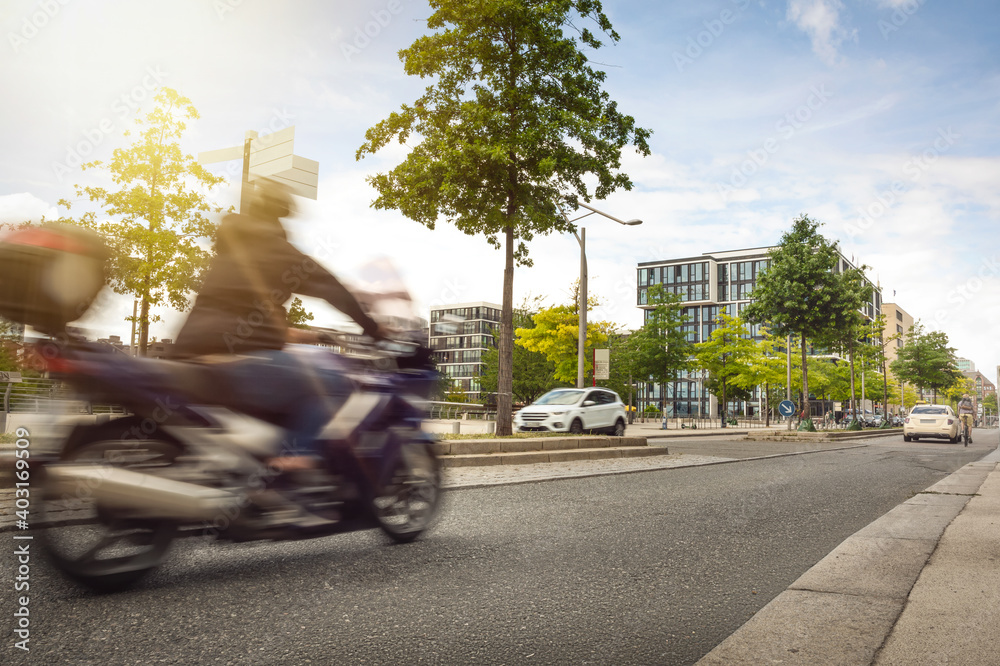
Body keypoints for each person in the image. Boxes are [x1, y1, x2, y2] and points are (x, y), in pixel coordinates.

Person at [173, 178, 385, 473]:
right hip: (235, 359)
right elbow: (332, 288)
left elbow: (260, 325)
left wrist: (320, 334)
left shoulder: (230, 248)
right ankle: (293, 461)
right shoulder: (276, 250)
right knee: (334, 382)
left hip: (190, 352)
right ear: (280, 214)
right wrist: (372, 328)